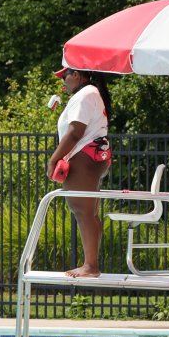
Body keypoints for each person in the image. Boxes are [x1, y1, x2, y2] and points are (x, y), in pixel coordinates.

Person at [49, 66, 113, 278]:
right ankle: (90, 264)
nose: (63, 82)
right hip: (91, 156)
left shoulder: (86, 94)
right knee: (87, 213)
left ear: (76, 75)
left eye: (64, 77)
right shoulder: (90, 93)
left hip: (84, 157)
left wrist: (54, 158)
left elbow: (75, 132)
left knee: (82, 212)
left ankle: (90, 266)